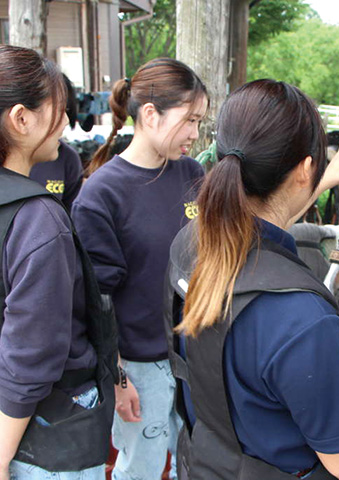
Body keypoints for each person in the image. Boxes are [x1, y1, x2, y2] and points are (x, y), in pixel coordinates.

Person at [166, 79, 339, 479]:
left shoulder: (189, 244)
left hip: (204, 462)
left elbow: (269, 218)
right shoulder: (301, 315)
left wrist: (319, 180)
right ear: (303, 170)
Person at [71, 58, 207, 480]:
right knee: (143, 469)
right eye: (190, 120)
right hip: (139, 366)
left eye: (200, 122)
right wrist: (117, 376)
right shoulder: (100, 194)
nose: (195, 134)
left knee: (196, 460)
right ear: (150, 114)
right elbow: (96, 300)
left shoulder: (192, 173)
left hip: (194, 354)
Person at [0, 45, 112, 480]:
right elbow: (32, 355)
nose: (66, 122)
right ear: (21, 119)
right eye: (58, 109)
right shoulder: (38, 220)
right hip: (40, 438)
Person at [30, 74, 84, 209]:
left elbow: (70, 220)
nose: (65, 121)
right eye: (58, 110)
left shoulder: (68, 159)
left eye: (66, 110)